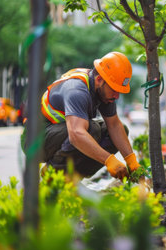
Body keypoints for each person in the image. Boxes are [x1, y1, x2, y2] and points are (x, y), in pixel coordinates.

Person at [32, 52, 140, 180]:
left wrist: (132, 162)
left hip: (55, 135)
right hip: (36, 140)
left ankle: (71, 180)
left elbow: (115, 126)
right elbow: (76, 135)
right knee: (90, 130)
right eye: (114, 90)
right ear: (99, 79)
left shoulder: (104, 91)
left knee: (113, 132)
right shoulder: (77, 90)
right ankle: (52, 175)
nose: (117, 96)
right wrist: (109, 160)